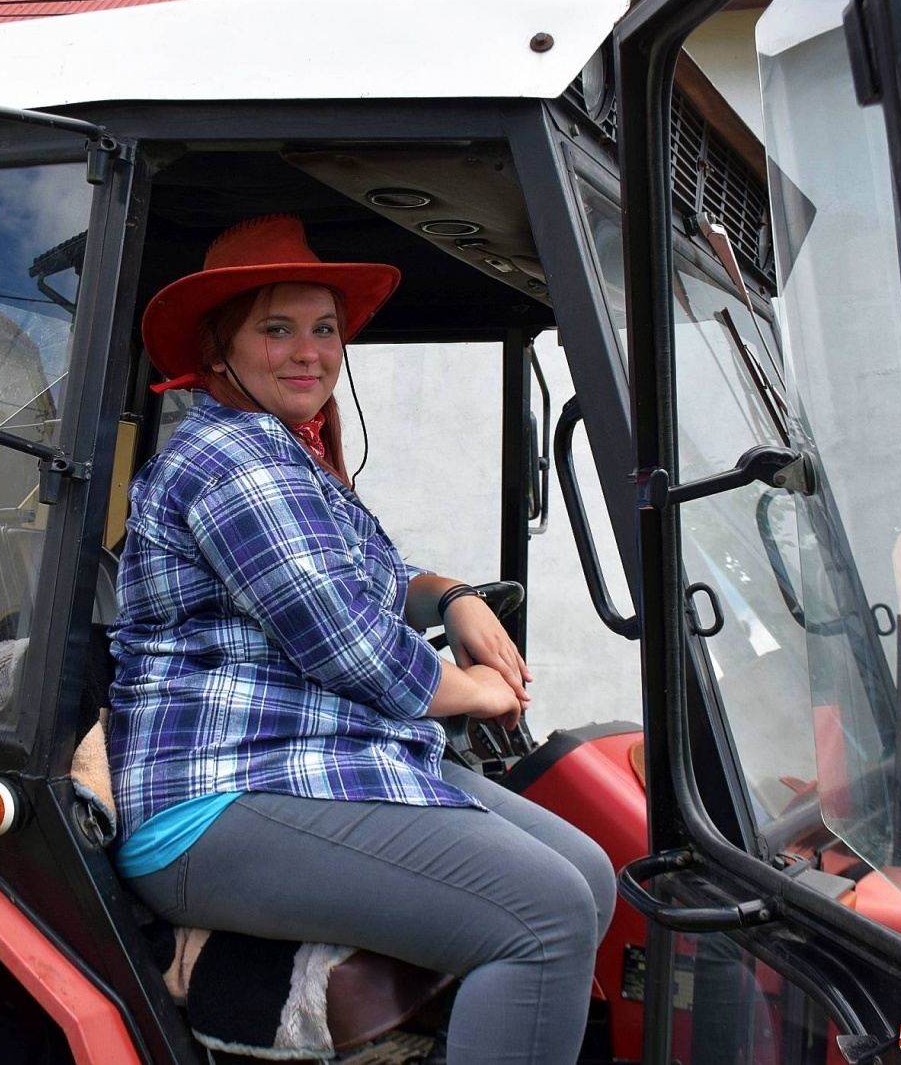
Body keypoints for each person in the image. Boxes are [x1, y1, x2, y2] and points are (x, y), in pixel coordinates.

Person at [108, 215, 614, 1065]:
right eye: (277, 328)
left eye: (325, 328)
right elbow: (344, 638)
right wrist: (476, 690)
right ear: (220, 346)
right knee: (545, 915)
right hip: (220, 792)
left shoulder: (290, 456)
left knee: (590, 873)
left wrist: (451, 595)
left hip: (314, 759)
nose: (309, 352)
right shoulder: (229, 457)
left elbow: (366, 581)